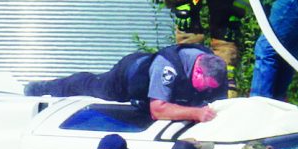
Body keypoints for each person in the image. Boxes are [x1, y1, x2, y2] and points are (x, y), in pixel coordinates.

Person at [24, 45, 228, 122]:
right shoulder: (168, 68)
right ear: (198, 70)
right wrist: (197, 113)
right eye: (206, 85)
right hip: (129, 76)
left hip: (150, 72)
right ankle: (42, 88)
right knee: (91, 85)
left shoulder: (213, 65)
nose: (207, 90)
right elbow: (158, 110)